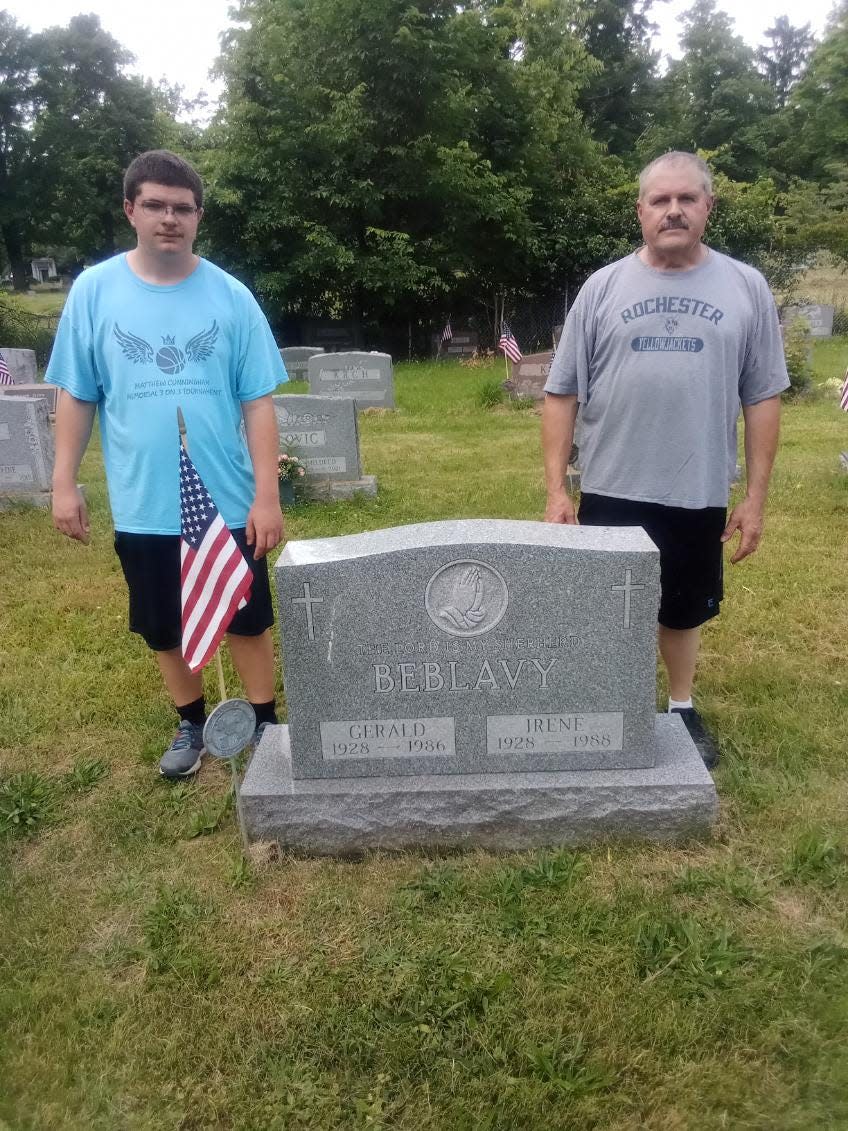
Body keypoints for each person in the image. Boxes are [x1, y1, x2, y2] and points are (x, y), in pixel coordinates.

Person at [542, 151, 789, 768]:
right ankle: (603, 708)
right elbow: (561, 390)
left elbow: (762, 396)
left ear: (708, 206)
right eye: (660, 200)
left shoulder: (745, 287)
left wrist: (756, 498)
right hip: (612, 482)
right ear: (640, 211)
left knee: (681, 607)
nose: (673, 210)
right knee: (606, 605)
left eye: (687, 199)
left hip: (697, 485)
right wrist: (556, 489)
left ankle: (681, 706)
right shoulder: (602, 288)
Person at [48, 149, 287, 778]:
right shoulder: (95, 292)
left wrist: (267, 495)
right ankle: (191, 719)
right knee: (162, 624)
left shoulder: (231, 298)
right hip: (144, 499)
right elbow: (77, 393)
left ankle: (263, 721)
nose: (169, 219)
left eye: (182, 208)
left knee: (245, 612)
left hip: (226, 499)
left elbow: (258, 400)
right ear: (130, 210)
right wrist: (62, 482)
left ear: (198, 217)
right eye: (154, 205)